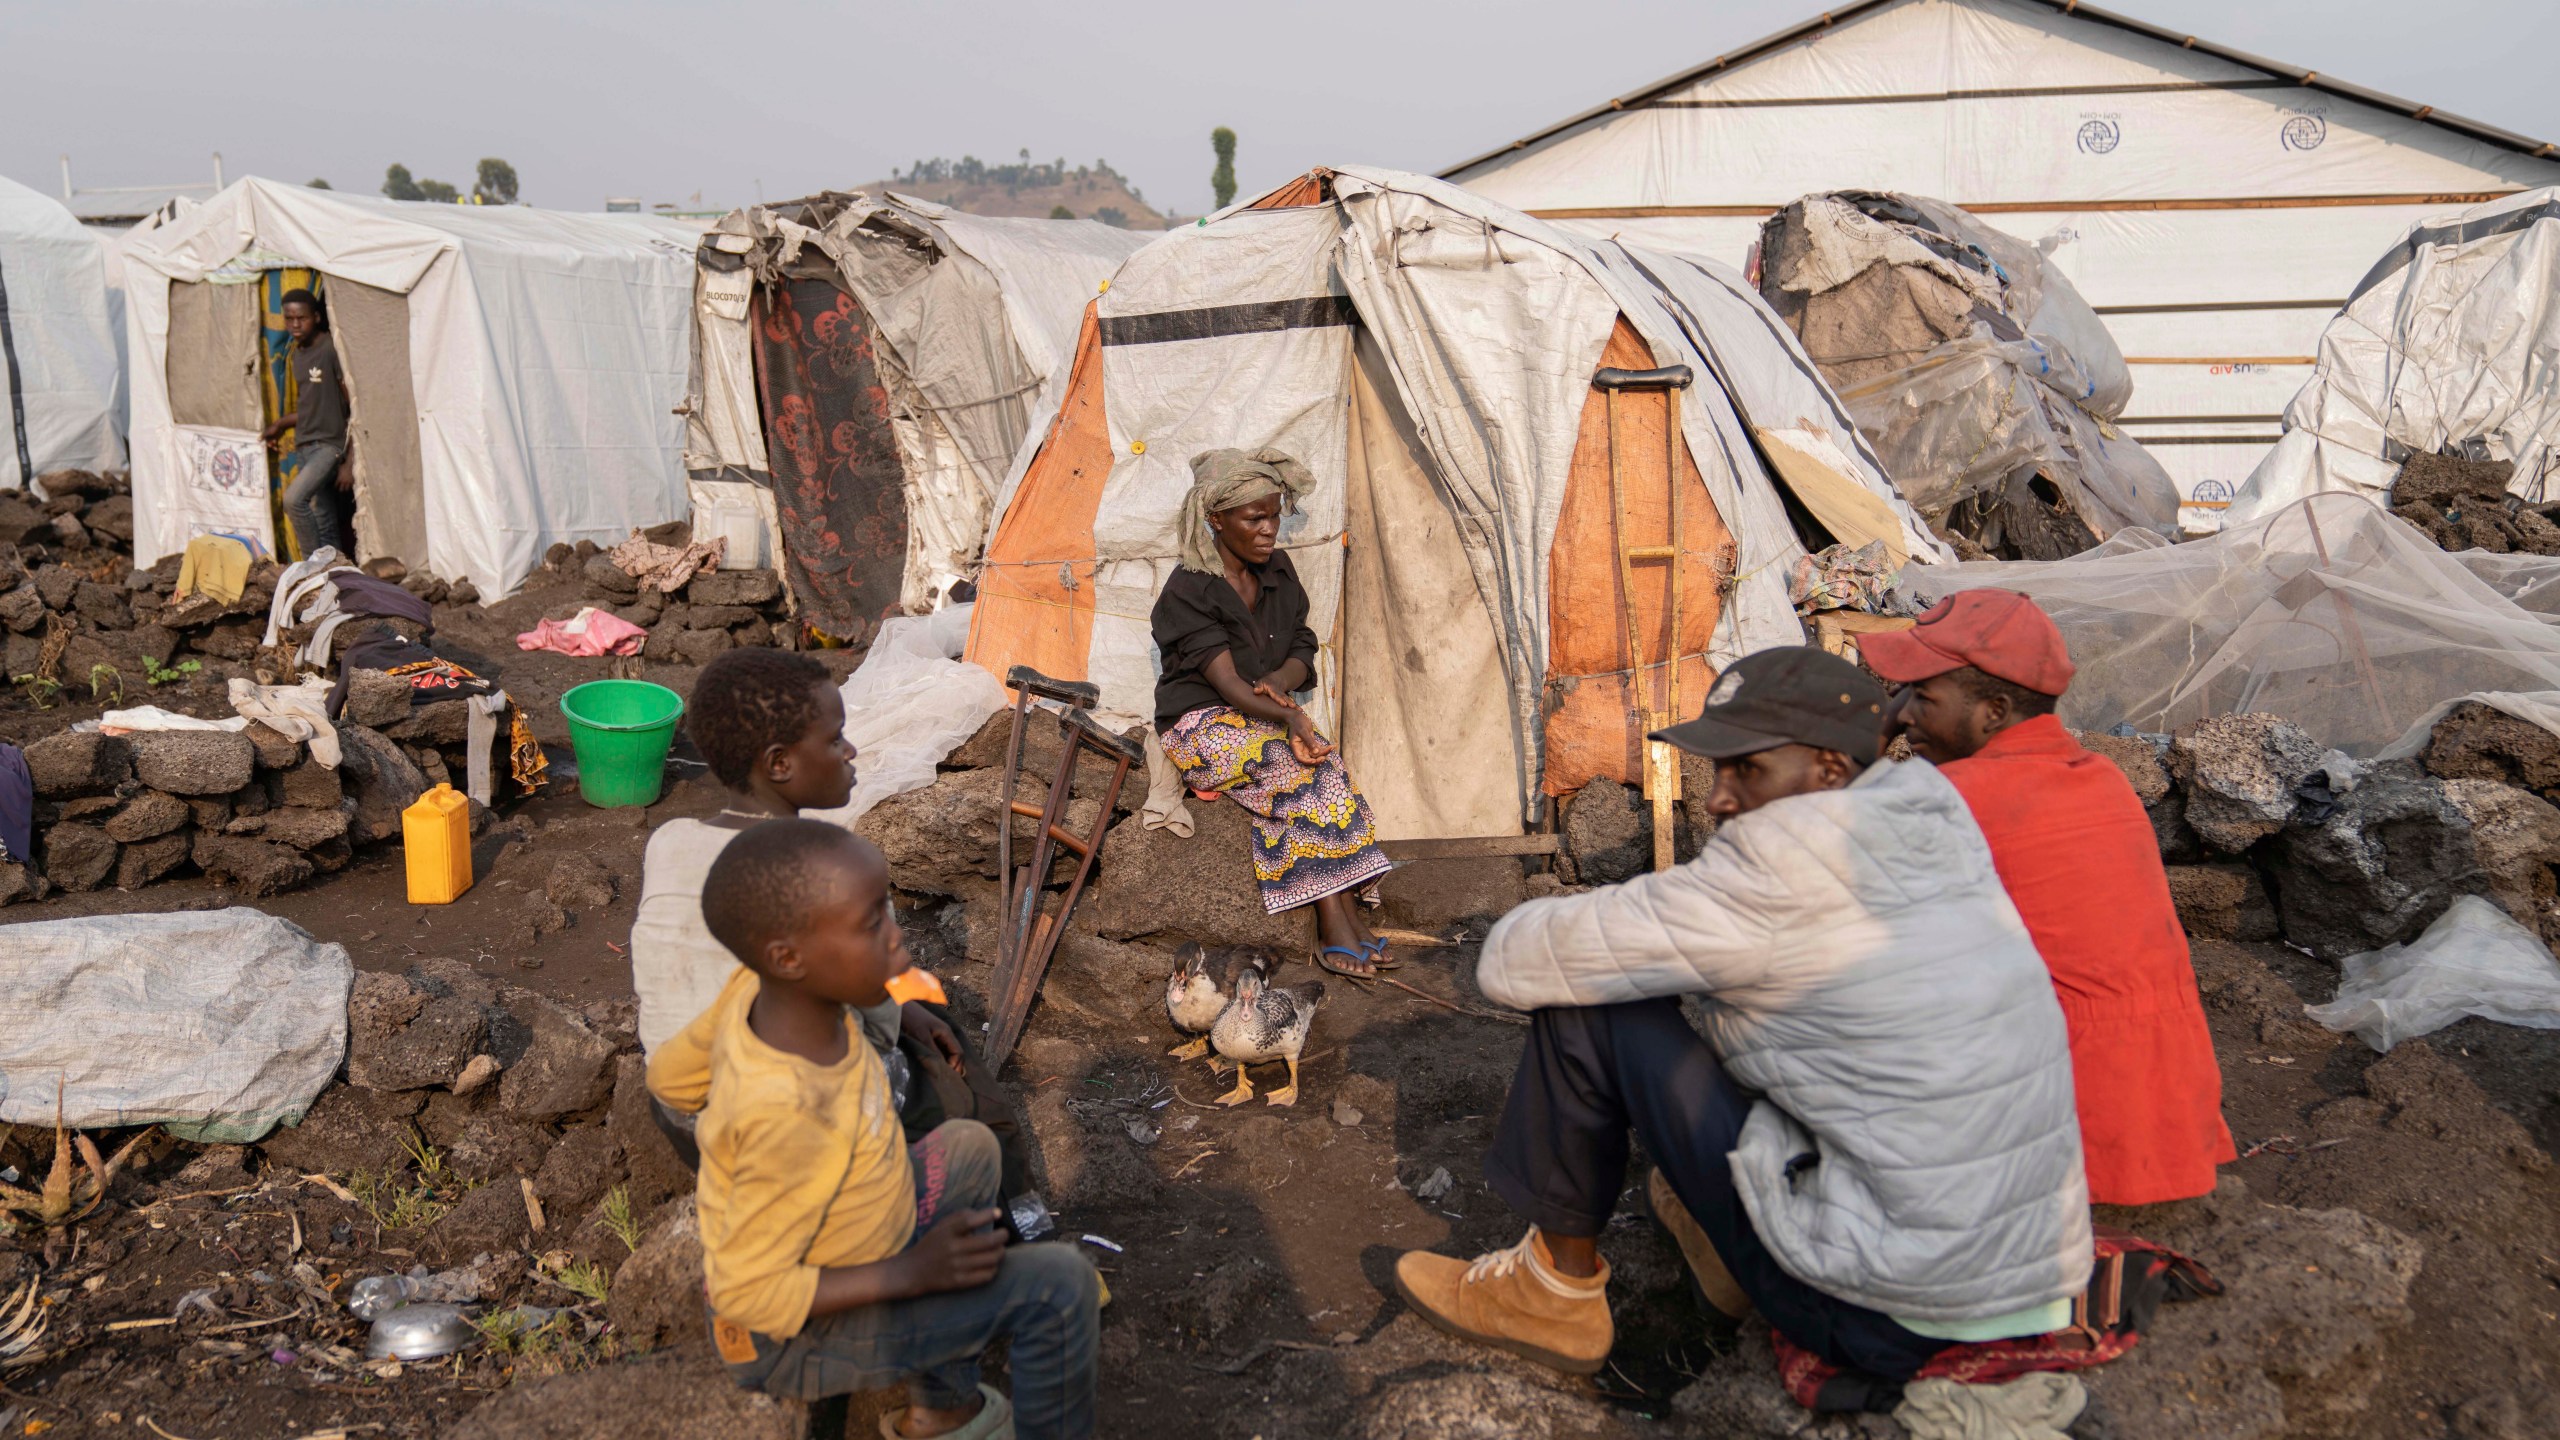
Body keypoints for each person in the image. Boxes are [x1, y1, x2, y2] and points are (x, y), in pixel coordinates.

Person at [1393, 647, 2091, 1383]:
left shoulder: (1781, 865)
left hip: (1885, 1312)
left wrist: (1657, 916)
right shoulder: (1932, 821)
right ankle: (1714, 1246)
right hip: (2028, 1278)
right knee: (1749, 1012)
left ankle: (1551, 1293)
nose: (1719, 798)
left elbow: (1512, 961)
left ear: (1828, 768)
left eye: (1746, 770)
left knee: (1591, 1004)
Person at [649, 820, 1100, 1440]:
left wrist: (898, 1009)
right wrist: (912, 1275)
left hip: (865, 1238)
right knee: (1062, 1287)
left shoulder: (761, 989)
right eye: (873, 925)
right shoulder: (784, 1112)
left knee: (968, 1147)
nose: (900, 945)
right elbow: (748, 1293)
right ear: (789, 958)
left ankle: (940, 1409)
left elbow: (671, 1080)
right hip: (790, 1337)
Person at [1863, 590, 2236, 1205]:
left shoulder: (1951, 797)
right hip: (2161, 1106)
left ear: (1994, 711)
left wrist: (1864, 743)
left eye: (1920, 697)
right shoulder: (2100, 777)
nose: (1901, 714)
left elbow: (1803, 866)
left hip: (2064, 1121)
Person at [630, 647, 1032, 1201]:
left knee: (902, 1002)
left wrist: (898, 1006)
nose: (852, 749)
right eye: (834, 738)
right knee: (964, 1078)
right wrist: (904, 1013)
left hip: (682, 1115)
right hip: (789, 1134)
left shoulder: (670, 841)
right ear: (778, 765)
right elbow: (868, 1022)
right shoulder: (833, 867)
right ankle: (1012, 1223)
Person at [1150, 447, 1394, 977]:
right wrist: (1291, 717)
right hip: (1200, 724)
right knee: (1290, 770)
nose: (1269, 530)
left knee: (1328, 767)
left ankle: (1349, 913)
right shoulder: (1188, 589)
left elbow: (1302, 646)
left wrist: (1280, 683)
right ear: (1215, 520)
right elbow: (1230, 685)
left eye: (1275, 515)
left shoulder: (1277, 571)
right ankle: (1333, 923)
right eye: (1254, 518)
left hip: (1259, 714)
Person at [260, 289, 354, 558]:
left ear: (316, 317)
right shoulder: (297, 356)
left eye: (302, 318)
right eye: (289, 319)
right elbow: (311, 406)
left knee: (294, 500)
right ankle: (337, 575)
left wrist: (350, 461)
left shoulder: (329, 350)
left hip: (329, 446)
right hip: (304, 444)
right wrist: (280, 424)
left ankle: (311, 565)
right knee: (323, 517)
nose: (295, 325)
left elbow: (354, 406)